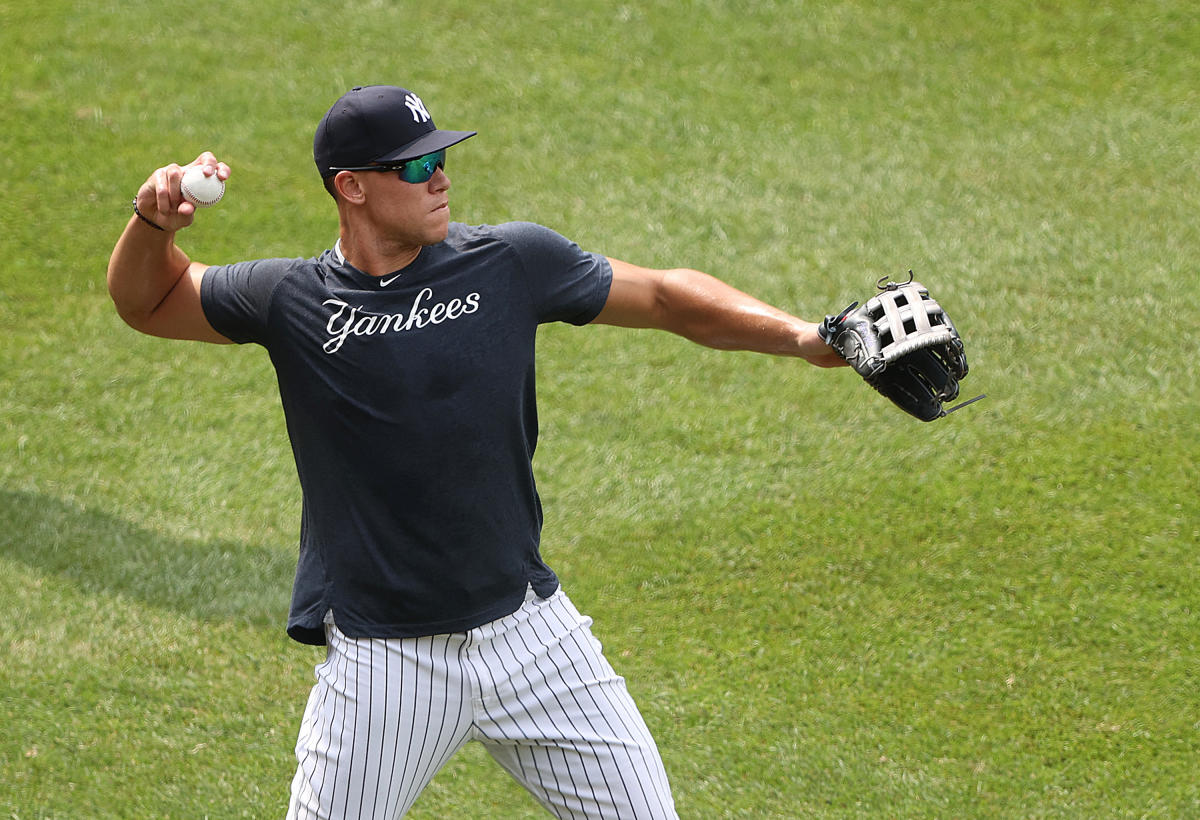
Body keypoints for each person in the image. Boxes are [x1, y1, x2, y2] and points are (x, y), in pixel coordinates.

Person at [107, 84, 844, 819]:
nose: (442, 176)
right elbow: (147, 301)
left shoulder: (510, 262)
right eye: (417, 164)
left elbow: (662, 297)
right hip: (387, 664)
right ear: (351, 187)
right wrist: (152, 223)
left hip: (533, 637)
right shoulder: (293, 299)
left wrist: (803, 338)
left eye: (442, 157)